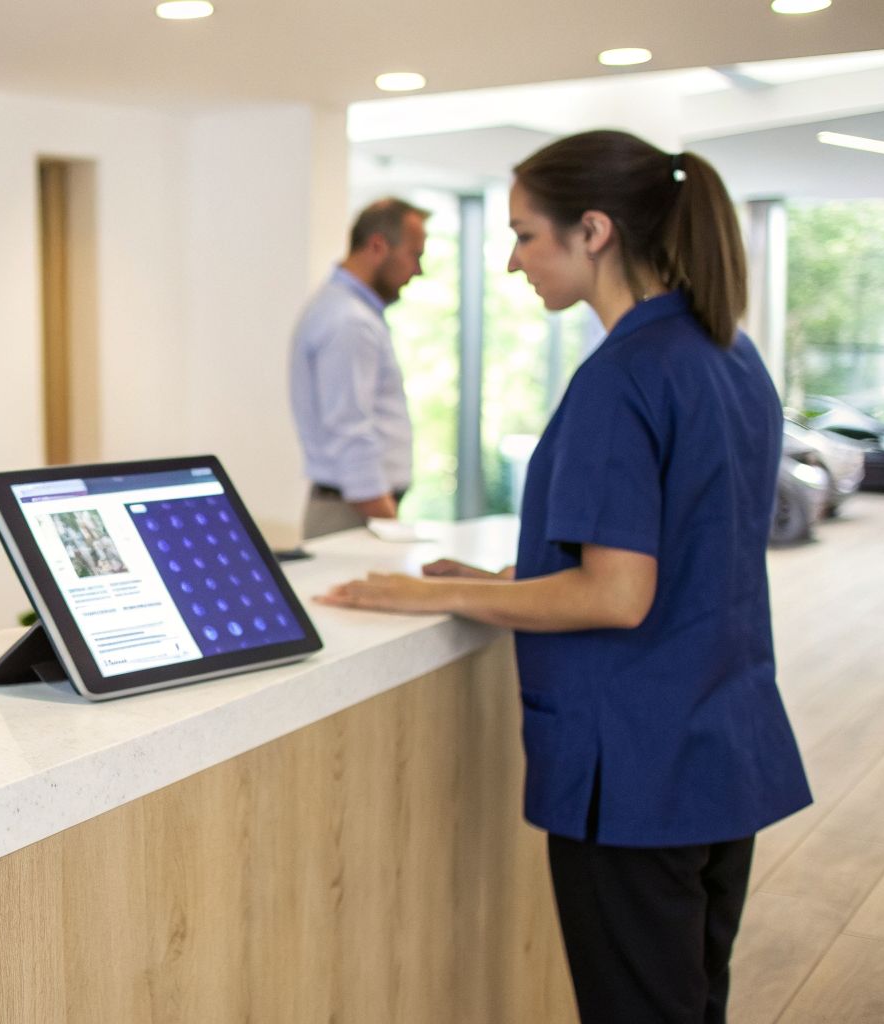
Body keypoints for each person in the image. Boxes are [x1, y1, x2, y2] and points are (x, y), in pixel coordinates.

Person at [317, 131, 811, 1024]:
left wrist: (433, 594)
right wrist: (512, 576)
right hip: (716, 753)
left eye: (524, 235)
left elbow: (619, 595)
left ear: (593, 231)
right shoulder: (728, 355)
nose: (512, 263)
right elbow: (686, 549)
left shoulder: (624, 377)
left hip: (636, 772)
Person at [289, 198, 429, 539]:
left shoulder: (349, 312)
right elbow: (349, 429)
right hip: (355, 513)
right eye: (415, 254)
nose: (418, 270)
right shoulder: (348, 321)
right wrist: (387, 521)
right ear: (378, 246)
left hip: (356, 508)